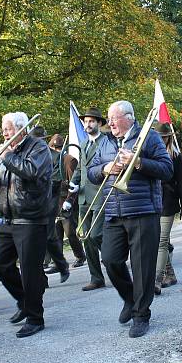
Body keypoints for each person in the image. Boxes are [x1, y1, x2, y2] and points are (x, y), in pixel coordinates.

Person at [88, 101, 172, 338]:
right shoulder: (104, 142)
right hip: (114, 211)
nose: (110, 122)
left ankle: (141, 315)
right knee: (110, 260)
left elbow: (166, 169)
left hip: (143, 210)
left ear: (129, 117)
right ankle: (130, 298)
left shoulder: (150, 137)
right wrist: (105, 168)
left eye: (114, 118)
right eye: (109, 118)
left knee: (142, 267)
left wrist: (138, 162)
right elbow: (92, 171)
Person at [0, 112, 52, 338]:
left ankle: (35, 318)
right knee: (0, 263)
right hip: (8, 218)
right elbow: (4, 182)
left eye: (8, 129)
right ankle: (24, 301)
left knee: (30, 271)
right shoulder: (7, 153)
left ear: (21, 129)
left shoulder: (38, 147)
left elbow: (32, 172)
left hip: (31, 218)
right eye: (3, 129)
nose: (4, 133)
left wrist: (8, 157)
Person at [68, 107, 108, 291]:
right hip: (84, 195)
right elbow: (80, 169)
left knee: (96, 234)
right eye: (86, 121)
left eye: (92, 121)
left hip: (100, 193)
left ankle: (113, 260)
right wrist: (73, 185)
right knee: (86, 238)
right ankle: (96, 277)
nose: (88, 124)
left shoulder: (106, 141)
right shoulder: (83, 144)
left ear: (99, 123)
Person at [153, 122, 182, 294]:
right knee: (160, 241)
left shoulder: (174, 156)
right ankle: (171, 274)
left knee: (161, 241)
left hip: (169, 201)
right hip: (152, 202)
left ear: (168, 138)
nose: (160, 140)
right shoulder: (150, 154)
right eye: (158, 137)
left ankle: (157, 280)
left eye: (163, 137)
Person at [39, 129, 71, 284]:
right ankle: (40, 278)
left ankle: (61, 264)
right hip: (31, 199)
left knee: (49, 235)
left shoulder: (55, 156)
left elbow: (59, 178)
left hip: (52, 196)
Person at [49, 134, 86, 268]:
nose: (55, 150)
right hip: (54, 200)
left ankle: (80, 255)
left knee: (70, 231)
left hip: (67, 200)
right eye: (54, 147)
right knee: (56, 232)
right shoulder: (49, 160)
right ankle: (57, 261)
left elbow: (74, 183)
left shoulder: (69, 160)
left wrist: (70, 201)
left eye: (57, 148)